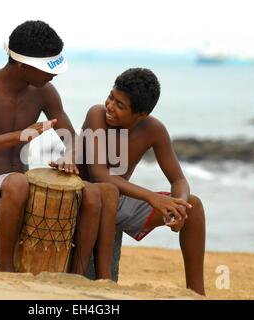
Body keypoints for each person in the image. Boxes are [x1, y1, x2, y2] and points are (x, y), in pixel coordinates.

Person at [0, 20, 117, 279]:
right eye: (46, 69)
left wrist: (69, 156)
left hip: (22, 188)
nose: (53, 75)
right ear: (22, 65)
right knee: (19, 183)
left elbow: (73, 139)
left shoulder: (45, 93)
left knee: (91, 192)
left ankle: (75, 276)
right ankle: (6, 271)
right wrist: (19, 136)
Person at [77, 68, 206, 295]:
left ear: (141, 114)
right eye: (111, 97)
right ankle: (104, 283)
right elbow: (99, 174)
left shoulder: (154, 130)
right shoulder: (97, 115)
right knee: (107, 190)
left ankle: (196, 293)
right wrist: (151, 197)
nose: (110, 106)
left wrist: (179, 206)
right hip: (86, 200)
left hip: (118, 202)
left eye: (120, 105)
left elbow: (178, 179)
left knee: (193, 206)